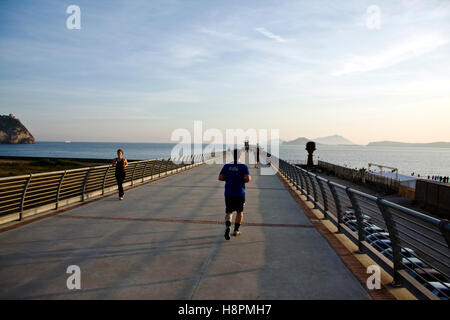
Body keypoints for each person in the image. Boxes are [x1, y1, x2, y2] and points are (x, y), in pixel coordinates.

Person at [218, 149, 251, 240]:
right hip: (240, 193)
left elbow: (220, 177)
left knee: (229, 212)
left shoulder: (227, 166)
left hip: (228, 193)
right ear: (240, 156)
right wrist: (241, 179)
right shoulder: (243, 166)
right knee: (240, 212)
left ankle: (228, 227)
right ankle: (236, 230)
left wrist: (228, 179)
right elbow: (248, 179)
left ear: (232, 155)